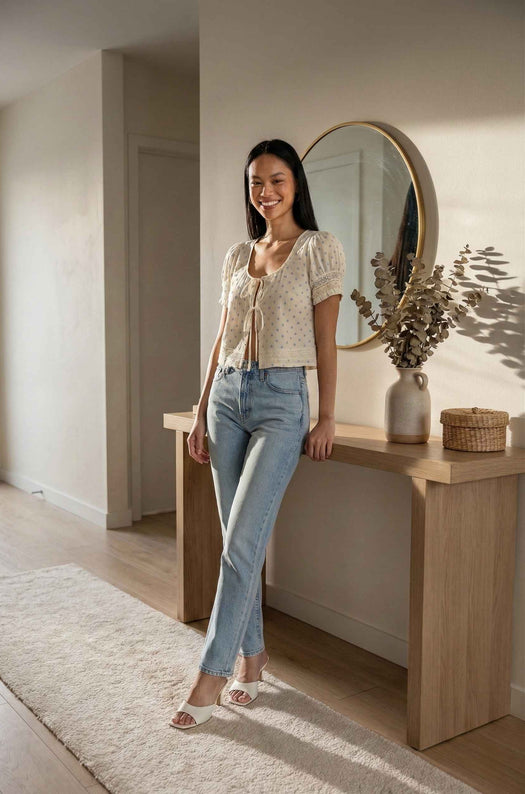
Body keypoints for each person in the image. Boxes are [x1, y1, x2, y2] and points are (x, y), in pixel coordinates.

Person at [171, 139, 346, 729]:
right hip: (225, 398)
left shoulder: (318, 250)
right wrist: (199, 410)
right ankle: (252, 658)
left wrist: (327, 415)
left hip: (281, 403)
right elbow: (221, 338)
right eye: (255, 182)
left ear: (295, 184)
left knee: (243, 541)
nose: (265, 192)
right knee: (234, 543)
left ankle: (211, 673)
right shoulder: (237, 256)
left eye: (276, 180)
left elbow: (325, 340)